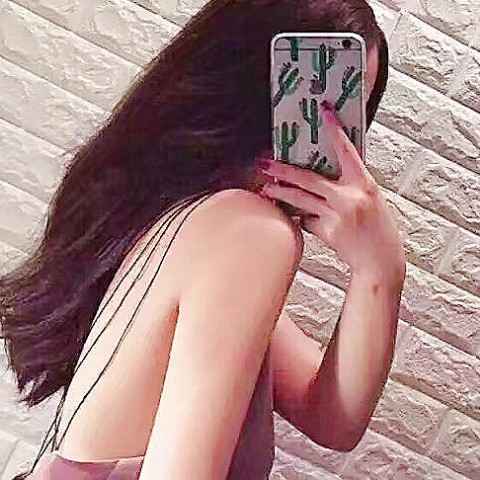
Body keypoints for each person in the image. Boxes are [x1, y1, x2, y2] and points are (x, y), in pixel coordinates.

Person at [0, 0, 405, 479]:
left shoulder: (190, 219)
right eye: (315, 98)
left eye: (347, 109)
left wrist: (381, 270)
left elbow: (330, 418)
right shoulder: (247, 232)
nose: (324, 134)